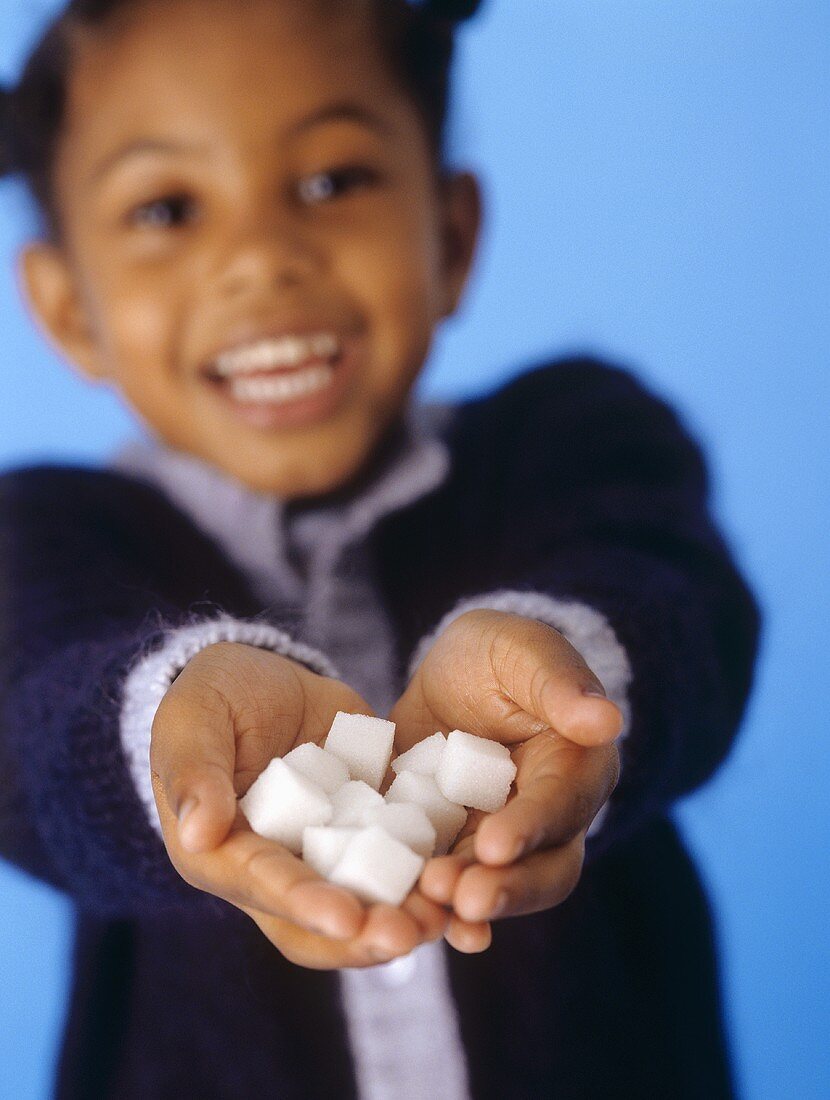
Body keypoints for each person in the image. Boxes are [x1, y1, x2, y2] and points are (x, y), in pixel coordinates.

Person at [0, 0, 761, 1096]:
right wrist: (173, 720)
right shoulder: (40, 531)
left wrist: (560, 666)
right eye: (167, 207)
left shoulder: (572, 434)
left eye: (329, 182)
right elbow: (30, 710)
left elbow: (671, 591)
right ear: (69, 310)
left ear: (449, 236)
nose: (261, 260)